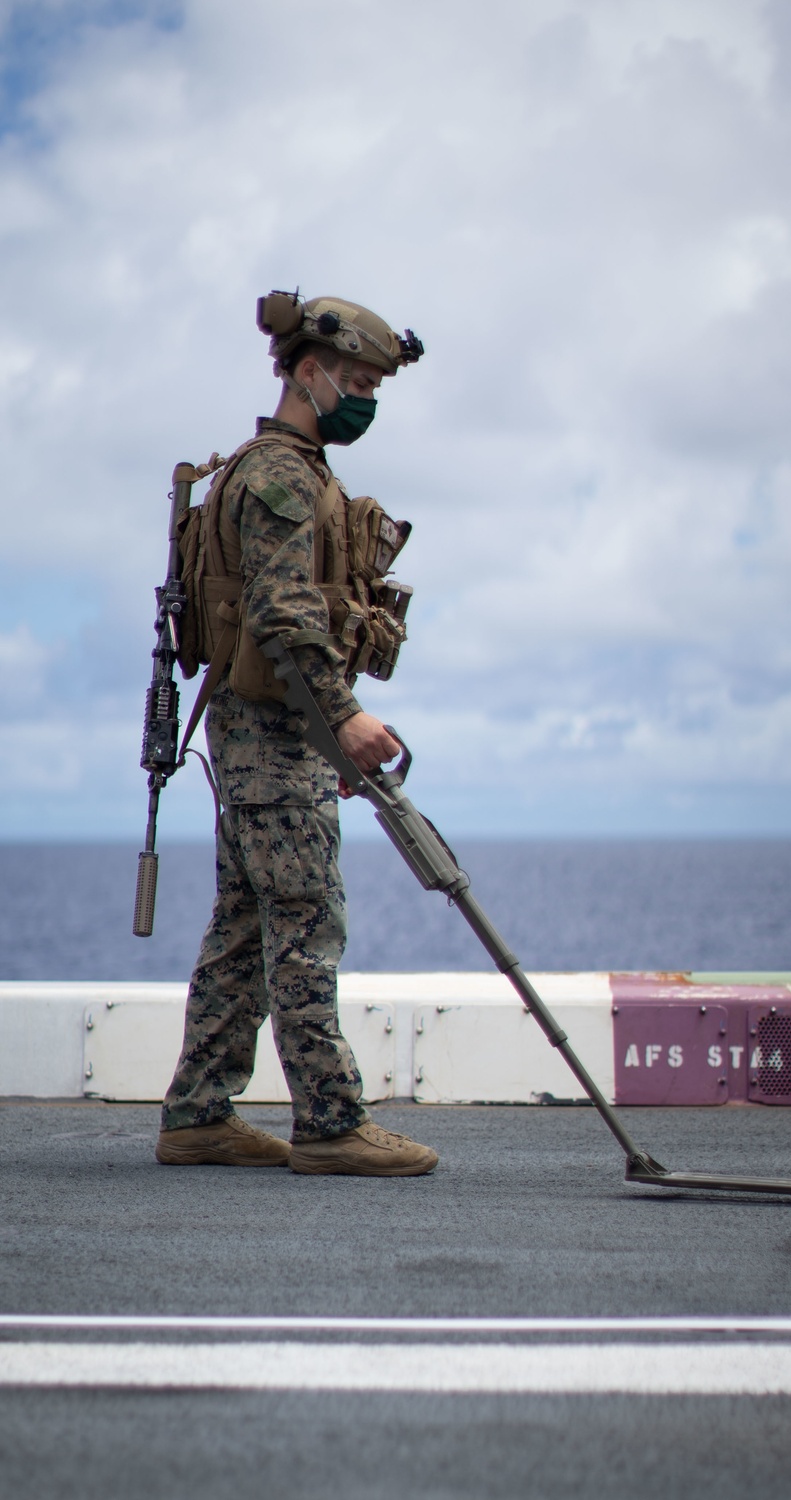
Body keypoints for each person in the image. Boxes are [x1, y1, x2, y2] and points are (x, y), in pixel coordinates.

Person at [155, 292, 438, 1177]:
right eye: (352, 380)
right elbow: (282, 616)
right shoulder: (279, 476)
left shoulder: (289, 470)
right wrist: (344, 719)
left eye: (373, 385)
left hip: (263, 737)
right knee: (308, 921)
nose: (363, 399)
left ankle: (199, 1113)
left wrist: (328, 732)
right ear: (305, 372)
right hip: (275, 738)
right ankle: (330, 1122)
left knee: (244, 927)